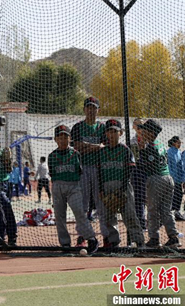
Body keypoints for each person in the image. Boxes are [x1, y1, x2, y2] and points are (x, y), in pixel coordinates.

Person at [48, 125, 99, 254]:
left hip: (73, 186)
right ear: (55, 139)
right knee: (60, 216)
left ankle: (91, 238)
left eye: (65, 137)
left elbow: (79, 171)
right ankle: (65, 243)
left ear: (70, 138)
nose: (63, 140)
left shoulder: (75, 154)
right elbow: (53, 175)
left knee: (79, 212)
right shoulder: (52, 156)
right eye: (60, 137)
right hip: (58, 186)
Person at [71, 96, 111, 248]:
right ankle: (83, 236)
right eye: (88, 107)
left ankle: (106, 236)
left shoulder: (102, 127)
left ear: (98, 110)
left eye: (94, 107)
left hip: (99, 170)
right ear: (84, 109)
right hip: (82, 169)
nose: (91, 110)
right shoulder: (77, 127)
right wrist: (95, 146)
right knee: (82, 205)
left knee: (101, 205)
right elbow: (77, 147)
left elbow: (105, 147)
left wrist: (85, 146)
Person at [98, 119, 145, 248]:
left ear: (120, 133)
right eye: (109, 131)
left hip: (123, 185)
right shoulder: (101, 152)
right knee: (109, 217)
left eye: (115, 131)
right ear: (106, 134)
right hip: (107, 185)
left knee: (129, 214)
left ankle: (139, 240)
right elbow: (99, 172)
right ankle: (114, 241)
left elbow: (130, 169)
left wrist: (123, 188)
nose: (112, 134)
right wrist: (101, 189)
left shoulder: (125, 149)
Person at [139, 119, 181, 248]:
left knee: (152, 211)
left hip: (156, 179)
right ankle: (173, 237)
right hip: (168, 178)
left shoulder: (150, 147)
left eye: (144, 130)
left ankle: (154, 238)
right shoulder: (161, 144)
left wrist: (142, 151)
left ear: (151, 133)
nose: (142, 132)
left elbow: (147, 167)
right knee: (166, 211)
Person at [130, 118, 148, 230]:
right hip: (137, 172)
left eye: (141, 125)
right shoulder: (132, 140)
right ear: (134, 127)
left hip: (149, 171)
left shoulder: (149, 139)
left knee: (150, 198)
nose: (139, 128)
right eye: (137, 125)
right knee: (139, 198)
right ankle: (141, 222)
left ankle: (153, 223)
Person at [167, 136, 184, 221]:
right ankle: (170, 212)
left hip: (178, 178)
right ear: (174, 143)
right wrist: (171, 176)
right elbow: (169, 165)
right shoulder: (169, 152)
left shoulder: (179, 152)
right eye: (178, 142)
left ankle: (176, 211)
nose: (180, 144)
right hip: (172, 177)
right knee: (172, 195)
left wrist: (182, 177)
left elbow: (181, 166)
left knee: (179, 195)